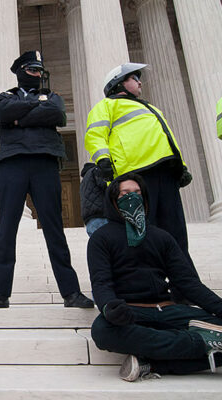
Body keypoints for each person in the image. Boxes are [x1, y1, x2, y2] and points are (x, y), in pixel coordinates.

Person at [0, 51, 93, 309]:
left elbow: (57, 114)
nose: (38, 75)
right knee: (6, 230)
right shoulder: (3, 97)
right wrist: (35, 111)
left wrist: (18, 118)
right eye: (32, 70)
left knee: (54, 230)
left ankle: (71, 293)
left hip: (44, 163)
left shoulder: (52, 97)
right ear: (20, 71)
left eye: (40, 71)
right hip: (12, 165)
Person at [88, 173, 222, 382]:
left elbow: (187, 283)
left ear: (145, 198)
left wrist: (219, 307)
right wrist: (109, 306)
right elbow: (101, 282)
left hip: (168, 309)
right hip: (131, 311)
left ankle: (154, 365)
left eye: (137, 193)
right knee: (102, 331)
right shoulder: (101, 238)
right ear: (114, 199)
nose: (132, 197)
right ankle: (201, 343)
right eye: (125, 193)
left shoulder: (161, 236)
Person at [85, 62, 197, 299]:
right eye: (135, 77)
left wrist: (181, 166)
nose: (140, 81)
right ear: (118, 83)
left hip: (164, 174)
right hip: (135, 178)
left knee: (176, 234)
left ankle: (185, 291)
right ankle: (144, 290)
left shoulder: (151, 108)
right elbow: (95, 135)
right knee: (142, 235)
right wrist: (103, 160)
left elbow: (168, 139)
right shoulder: (107, 106)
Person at [79, 162, 107, 236]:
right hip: (101, 216)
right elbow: (104, 185)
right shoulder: (95, 171)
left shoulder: (83, 182)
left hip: (89, 221)